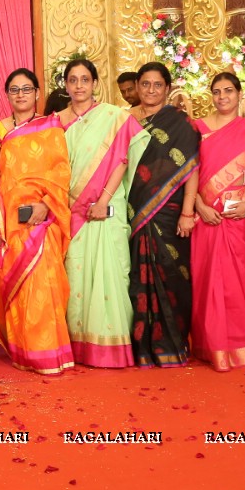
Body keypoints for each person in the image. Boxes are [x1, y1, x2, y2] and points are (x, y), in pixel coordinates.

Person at [0, 68, 73, 374]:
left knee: (44, 283)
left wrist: (47, 205)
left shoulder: (52, 126)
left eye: (26, 89)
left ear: (37, 93)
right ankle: (24, 351)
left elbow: (61, 173)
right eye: (14, 90)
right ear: (7, 95)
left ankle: (47, 352)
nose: (20, 94)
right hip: (8, 217)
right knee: (17, 288)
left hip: (43, 217)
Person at [57, 59, 146, 368]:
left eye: (85, 79)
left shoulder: (114, 118)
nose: (79, 85)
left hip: (106, 206)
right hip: (73, 210)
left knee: (111, 272)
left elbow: (123, 159)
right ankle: (80, 346)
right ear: (65, 85)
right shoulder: (56, 122)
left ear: (95, 83)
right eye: (73, 80)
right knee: (77, 276)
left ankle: (111, 347)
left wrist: (103, 197)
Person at [188, 73, 245, 372]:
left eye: (228, 91)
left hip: (239, 218)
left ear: (239, 94)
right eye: (217, 92)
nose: (222, 97)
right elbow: (188, 172)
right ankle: (211, 345)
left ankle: (241, 345)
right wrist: (199, 206)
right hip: (206, 216)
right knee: (207, 283)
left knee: (239, 285)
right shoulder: (197, 129)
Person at [127, 61, 199, 368]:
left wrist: (187, 212)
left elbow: (192, 168)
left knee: (173, 275)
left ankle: (172, 343)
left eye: (158, 85)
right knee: (135, 278)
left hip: (170, 212)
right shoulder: (125, 121)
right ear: (137, 87)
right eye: (146, 84)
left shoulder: (181, 123)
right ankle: (141, 345)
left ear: (167, 89)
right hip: (134, 211)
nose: (151, 90)